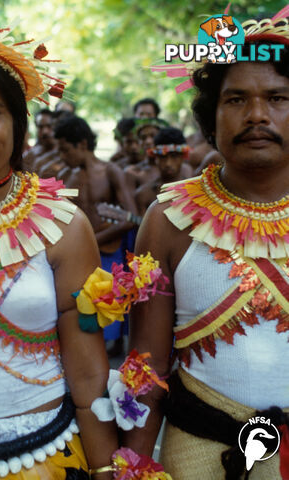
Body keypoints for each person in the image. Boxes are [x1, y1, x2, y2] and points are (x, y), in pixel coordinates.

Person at [0, 11, 117, 480]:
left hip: (45, 460)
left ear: (17, 122)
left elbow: (87, 377)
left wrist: (108, 470)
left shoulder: (64, 226)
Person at [125, 11, 289, 480]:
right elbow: (147, 367)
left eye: (277, 97)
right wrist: (131, 468)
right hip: (193, 456)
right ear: (210, 118)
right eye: (236, 99)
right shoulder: (167, 221)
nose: (257, 114)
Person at [55, 115, 138, 355]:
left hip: (109, 250)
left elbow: (130, 216)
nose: (62, 156)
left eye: (65, 150)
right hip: (80, 255)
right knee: (83, 308)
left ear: (82, 144)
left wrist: (96, 239)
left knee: (111, 304)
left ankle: (116, 349)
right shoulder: (69, 178)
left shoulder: (110, 171)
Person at [135, 127, 192, 215]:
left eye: (174, 156)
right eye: (162, 157)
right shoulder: (144, 195)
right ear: (155, 158)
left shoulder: (196, 191)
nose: (168, 163)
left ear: (183, 157)